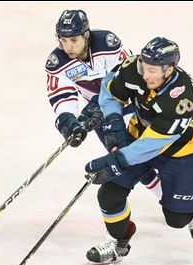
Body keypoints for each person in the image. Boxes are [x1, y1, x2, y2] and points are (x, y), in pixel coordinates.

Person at [85, 37, 193, 264]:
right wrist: (114, 119)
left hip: (180, 150)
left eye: (152, 70)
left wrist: (117, 159)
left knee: (176, 219)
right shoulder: (134, 69)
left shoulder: (182, 96)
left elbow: (155, 144)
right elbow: (110, 90)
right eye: (143, 67)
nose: (145, 75)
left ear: (169, 69)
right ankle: (119, 243)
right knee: (109, 195)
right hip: (141, 135)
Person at [45, 9, 162, 198]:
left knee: (152, 152)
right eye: (63, 40)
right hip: (100, 115)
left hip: (133, 105)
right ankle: (165, 198)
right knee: (125, 158)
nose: (68, 47)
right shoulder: (57, 62)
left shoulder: (106, 43)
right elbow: (61, 94)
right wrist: (67, 119)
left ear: (86, 34)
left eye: (73, 40)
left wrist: (100, 102)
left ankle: (185, 198)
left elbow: (124, 76)